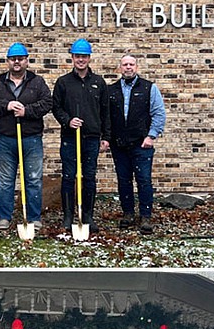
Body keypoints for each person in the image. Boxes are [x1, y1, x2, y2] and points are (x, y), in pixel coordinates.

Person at [0, 42, 52, 234]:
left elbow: (47, 103)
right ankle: (5, 217)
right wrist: (6, 106)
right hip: (6, 139)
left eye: (20, 58)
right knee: (5, 180)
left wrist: (26, 111)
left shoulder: (37, 82)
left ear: (27, 61)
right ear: (8, 62)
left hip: (31, 139)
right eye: (13, 59)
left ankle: (33, 217)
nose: (17, 62)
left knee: (33, 179)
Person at [51, 39, 110, 232]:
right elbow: (56, 107)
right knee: (69, 176)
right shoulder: (63, 82)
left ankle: (87, 215)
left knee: (89, 177)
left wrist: (106, 136)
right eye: (78, 56)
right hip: (70, 137)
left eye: (84, 56)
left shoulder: (99, 83)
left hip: (91, 137)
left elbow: (105, 112)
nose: (81, 60)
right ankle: (68, 216)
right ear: (73, 58)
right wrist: (67, 120)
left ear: (89, 58)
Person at [107, 53, 166, 233]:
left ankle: (146, 216)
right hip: (119, 145)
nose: (128, 67)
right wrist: (107, 139)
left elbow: (159, 113)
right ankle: (128, 214)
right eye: (125, 64)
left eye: (131, 64)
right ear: (120, 68)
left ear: (137, 67)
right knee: (124, 181)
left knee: (144, 180)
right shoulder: (112, 90)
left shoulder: (149, 88)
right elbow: (106, 117)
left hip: (142, 144)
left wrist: (151, 136)